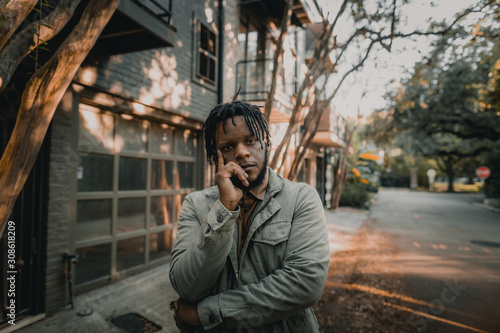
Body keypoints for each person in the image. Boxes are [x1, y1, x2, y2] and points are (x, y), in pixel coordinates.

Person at [169, 100, 330, 332]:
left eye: (250, 140)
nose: (242, 152)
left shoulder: (301, 198)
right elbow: (187, 287)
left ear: (266, 143)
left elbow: (306, 284)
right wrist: (224, 208)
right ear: (217, 156)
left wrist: (207, 312)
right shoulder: (196, 204)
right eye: (227, 146)